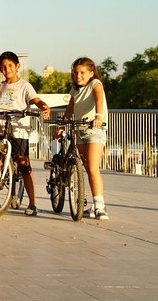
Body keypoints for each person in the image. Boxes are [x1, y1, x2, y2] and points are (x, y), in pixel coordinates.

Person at [0, 51, 50, 216]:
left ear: (17, 66)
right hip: (0, 131)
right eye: (3, 66)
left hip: (18, 131)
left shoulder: (25, 86)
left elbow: (35, 100)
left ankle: (32, 204)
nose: (7, 69)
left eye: (10, 65)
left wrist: (43, 107)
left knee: (24, 166)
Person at [62, 57, 109, 220]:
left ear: (91, 73)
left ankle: (100, 207)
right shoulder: (75, 89)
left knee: (94, 167)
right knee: (88, 169)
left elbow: (99, 99)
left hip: (95, 129)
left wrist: (98, 115)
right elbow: (70, 107)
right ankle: (94, 204)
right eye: (75, 73)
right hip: (80, 130)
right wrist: (62, 124)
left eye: (82, 72)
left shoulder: (95, 84)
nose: (78, 76)